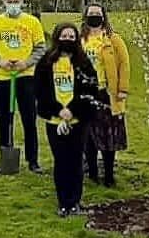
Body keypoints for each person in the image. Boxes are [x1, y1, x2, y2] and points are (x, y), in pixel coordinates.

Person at [35, 23, 100, 217]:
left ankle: (75, 202)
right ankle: (63, 202)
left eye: (72, 37)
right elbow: (40, 91)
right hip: (55, 120)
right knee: (61, 161)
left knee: (75, 161)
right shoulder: (46, 62)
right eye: (64, 36)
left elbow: (90, 90)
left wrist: (72, 111)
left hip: (78, 121)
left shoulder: (84, 63)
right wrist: (58, 110)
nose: (68, 40)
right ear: (57, 38)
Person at [0, 0, 46, 174]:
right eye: (9, 2)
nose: (13, 5)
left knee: (29, 118)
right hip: (2, 77)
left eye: (16, 2)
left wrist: (26, 63)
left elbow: (41, 48)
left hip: (26, 77)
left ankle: (33, 160)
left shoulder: (32, 22)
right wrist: (0, 62)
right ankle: (5, 158)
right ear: (3, 2)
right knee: (4, 118)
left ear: (22, 2)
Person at [80, 2, 131, 187]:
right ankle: (92, 172)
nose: (94, 17)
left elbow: (124, 64)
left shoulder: (113, 39)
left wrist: (122, 89)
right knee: (88, 136)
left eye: (97, 14)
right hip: (85, 94)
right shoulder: (80, 40)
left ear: (103, 17)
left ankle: (109, 175)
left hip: (106, 94)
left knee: (108, 136)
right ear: (85, 17)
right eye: (91, 14)